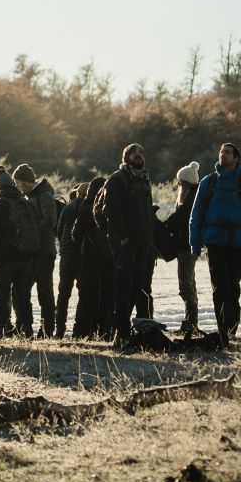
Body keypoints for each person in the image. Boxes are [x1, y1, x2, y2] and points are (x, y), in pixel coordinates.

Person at [188, 142, 241, 343]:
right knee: (220, 287)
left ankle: (230, 330)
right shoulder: (208, 182)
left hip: (237, 243)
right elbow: (196, 214)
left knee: (233, 286)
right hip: (215, 243)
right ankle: (225, 330)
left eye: (227, 152)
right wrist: (195, 242)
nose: (223, 154)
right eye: (221, 151)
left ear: (236, 158)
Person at [103, 143, 157, 346]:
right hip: (125, 244)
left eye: (141, 152)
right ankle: (121, 335)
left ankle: (128, 332)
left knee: (136, 288)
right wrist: (123, 236)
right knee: (123, 290)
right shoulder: (118, 178)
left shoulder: (144, 180)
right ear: (126, 157)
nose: (138, 154)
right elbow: (110, 209)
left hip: (142, 245)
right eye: (133, 152)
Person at [0, 166, 37, 338]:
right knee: (24, 296)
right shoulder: (26, 204)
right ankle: (28, 330)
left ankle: (0, 331)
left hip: (5, 260)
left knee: (1, 297)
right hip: (26, 259)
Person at [15, 164, 60, 337]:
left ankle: (47, 330)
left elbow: (50, 221)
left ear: (24, 181)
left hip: (44, 251)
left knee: (45, 291)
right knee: (24, 289)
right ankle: (29, 327)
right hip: (33, 251)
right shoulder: (31, 196)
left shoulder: (44, 195)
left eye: (17, 182)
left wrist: (29, 229)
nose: (17, 186)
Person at [73, 175, 112, 340]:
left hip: (89, 259)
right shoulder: (110, 208)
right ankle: (105, 331)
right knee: (107, 295)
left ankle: (84, 332)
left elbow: (75, 234)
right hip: (109, 258)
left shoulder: (85, 210)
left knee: (88, 295)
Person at [169, 161, 202, 336]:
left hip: (187, 246)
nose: (178, 184)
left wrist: (165, 227)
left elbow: (180, 218)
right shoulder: (193, 196)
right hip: (187, 245)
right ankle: (190, 322)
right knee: (189, 282)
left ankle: (191, 323)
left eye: (180, 181)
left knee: (186, 284)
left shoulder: (191, 198)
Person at [53, 182, 84, 338]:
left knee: (63, 293)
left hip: (66, 254)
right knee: (83, 292)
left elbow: (58, 230)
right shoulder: (87, 208)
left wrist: (64, 246)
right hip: (81, 255)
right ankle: (79, 330)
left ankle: (59, 330)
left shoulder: (67, 208)